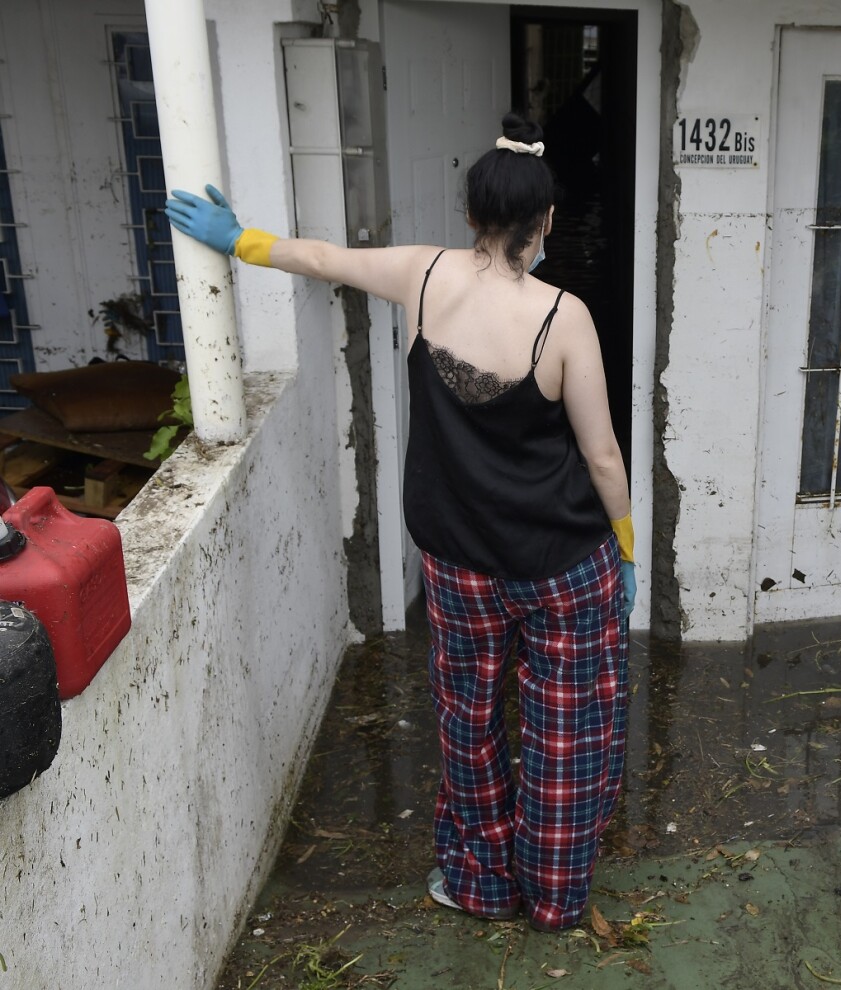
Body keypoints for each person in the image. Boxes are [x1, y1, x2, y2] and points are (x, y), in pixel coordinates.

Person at [166, 112, 635, 933]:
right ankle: (557, 900)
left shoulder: (422, 277)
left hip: (457, 565)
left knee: (471, 720)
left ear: (471, 217)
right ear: (547, 221)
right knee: (570, 735)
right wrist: (625, 550)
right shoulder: (566, 319)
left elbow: (321, 260)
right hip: (564, 566)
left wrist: (237, 238)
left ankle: (482, 886)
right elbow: (600, 457)